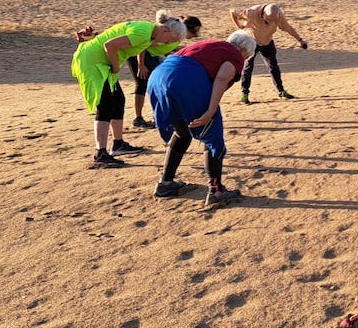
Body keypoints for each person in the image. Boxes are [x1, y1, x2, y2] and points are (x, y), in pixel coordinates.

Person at [147, 30, 257, 207]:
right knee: (212, 135)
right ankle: (217, 191)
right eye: (247, 56)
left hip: (159, 77)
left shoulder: (212, 45)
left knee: (182, 132)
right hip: (184, 79)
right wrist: (211, 110)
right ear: (244, 51)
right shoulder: (235, 55)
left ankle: (165, 184)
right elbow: (222, 77)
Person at [71, 11, 188, 168]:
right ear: (166, 30)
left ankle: (118, 144)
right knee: (105, 104)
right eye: (170, 40)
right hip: (92, 61)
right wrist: (115, 65)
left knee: (118, 100)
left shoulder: (151, 36)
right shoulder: (143, 32)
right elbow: (109, 45)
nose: (168, 44)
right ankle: (100, 154)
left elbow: (136, 46)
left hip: (102, 63)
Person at [127, 15, 202, 128]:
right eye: (195, 32)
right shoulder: (173, 34)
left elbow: (165, 49)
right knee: (142, 84)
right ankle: (139, 118)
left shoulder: (178, 37)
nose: (195, 35)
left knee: (161, 84)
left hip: (152, 57)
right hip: (139, 55)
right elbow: (143, 45)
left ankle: (161, 116)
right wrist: (141, 65)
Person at [229, 3, 307, 104]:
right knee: (248, 68)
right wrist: (240, 26)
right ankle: (245, 95)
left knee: (274, 67)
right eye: (268, 20)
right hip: (251, 42)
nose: (270, 22)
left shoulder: (278, 15)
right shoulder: (251, 13)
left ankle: (281, 92)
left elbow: (288, 28)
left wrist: (300, 40)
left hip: (267, 42)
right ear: (263, 13)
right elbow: (232, 11)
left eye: (273, 21)